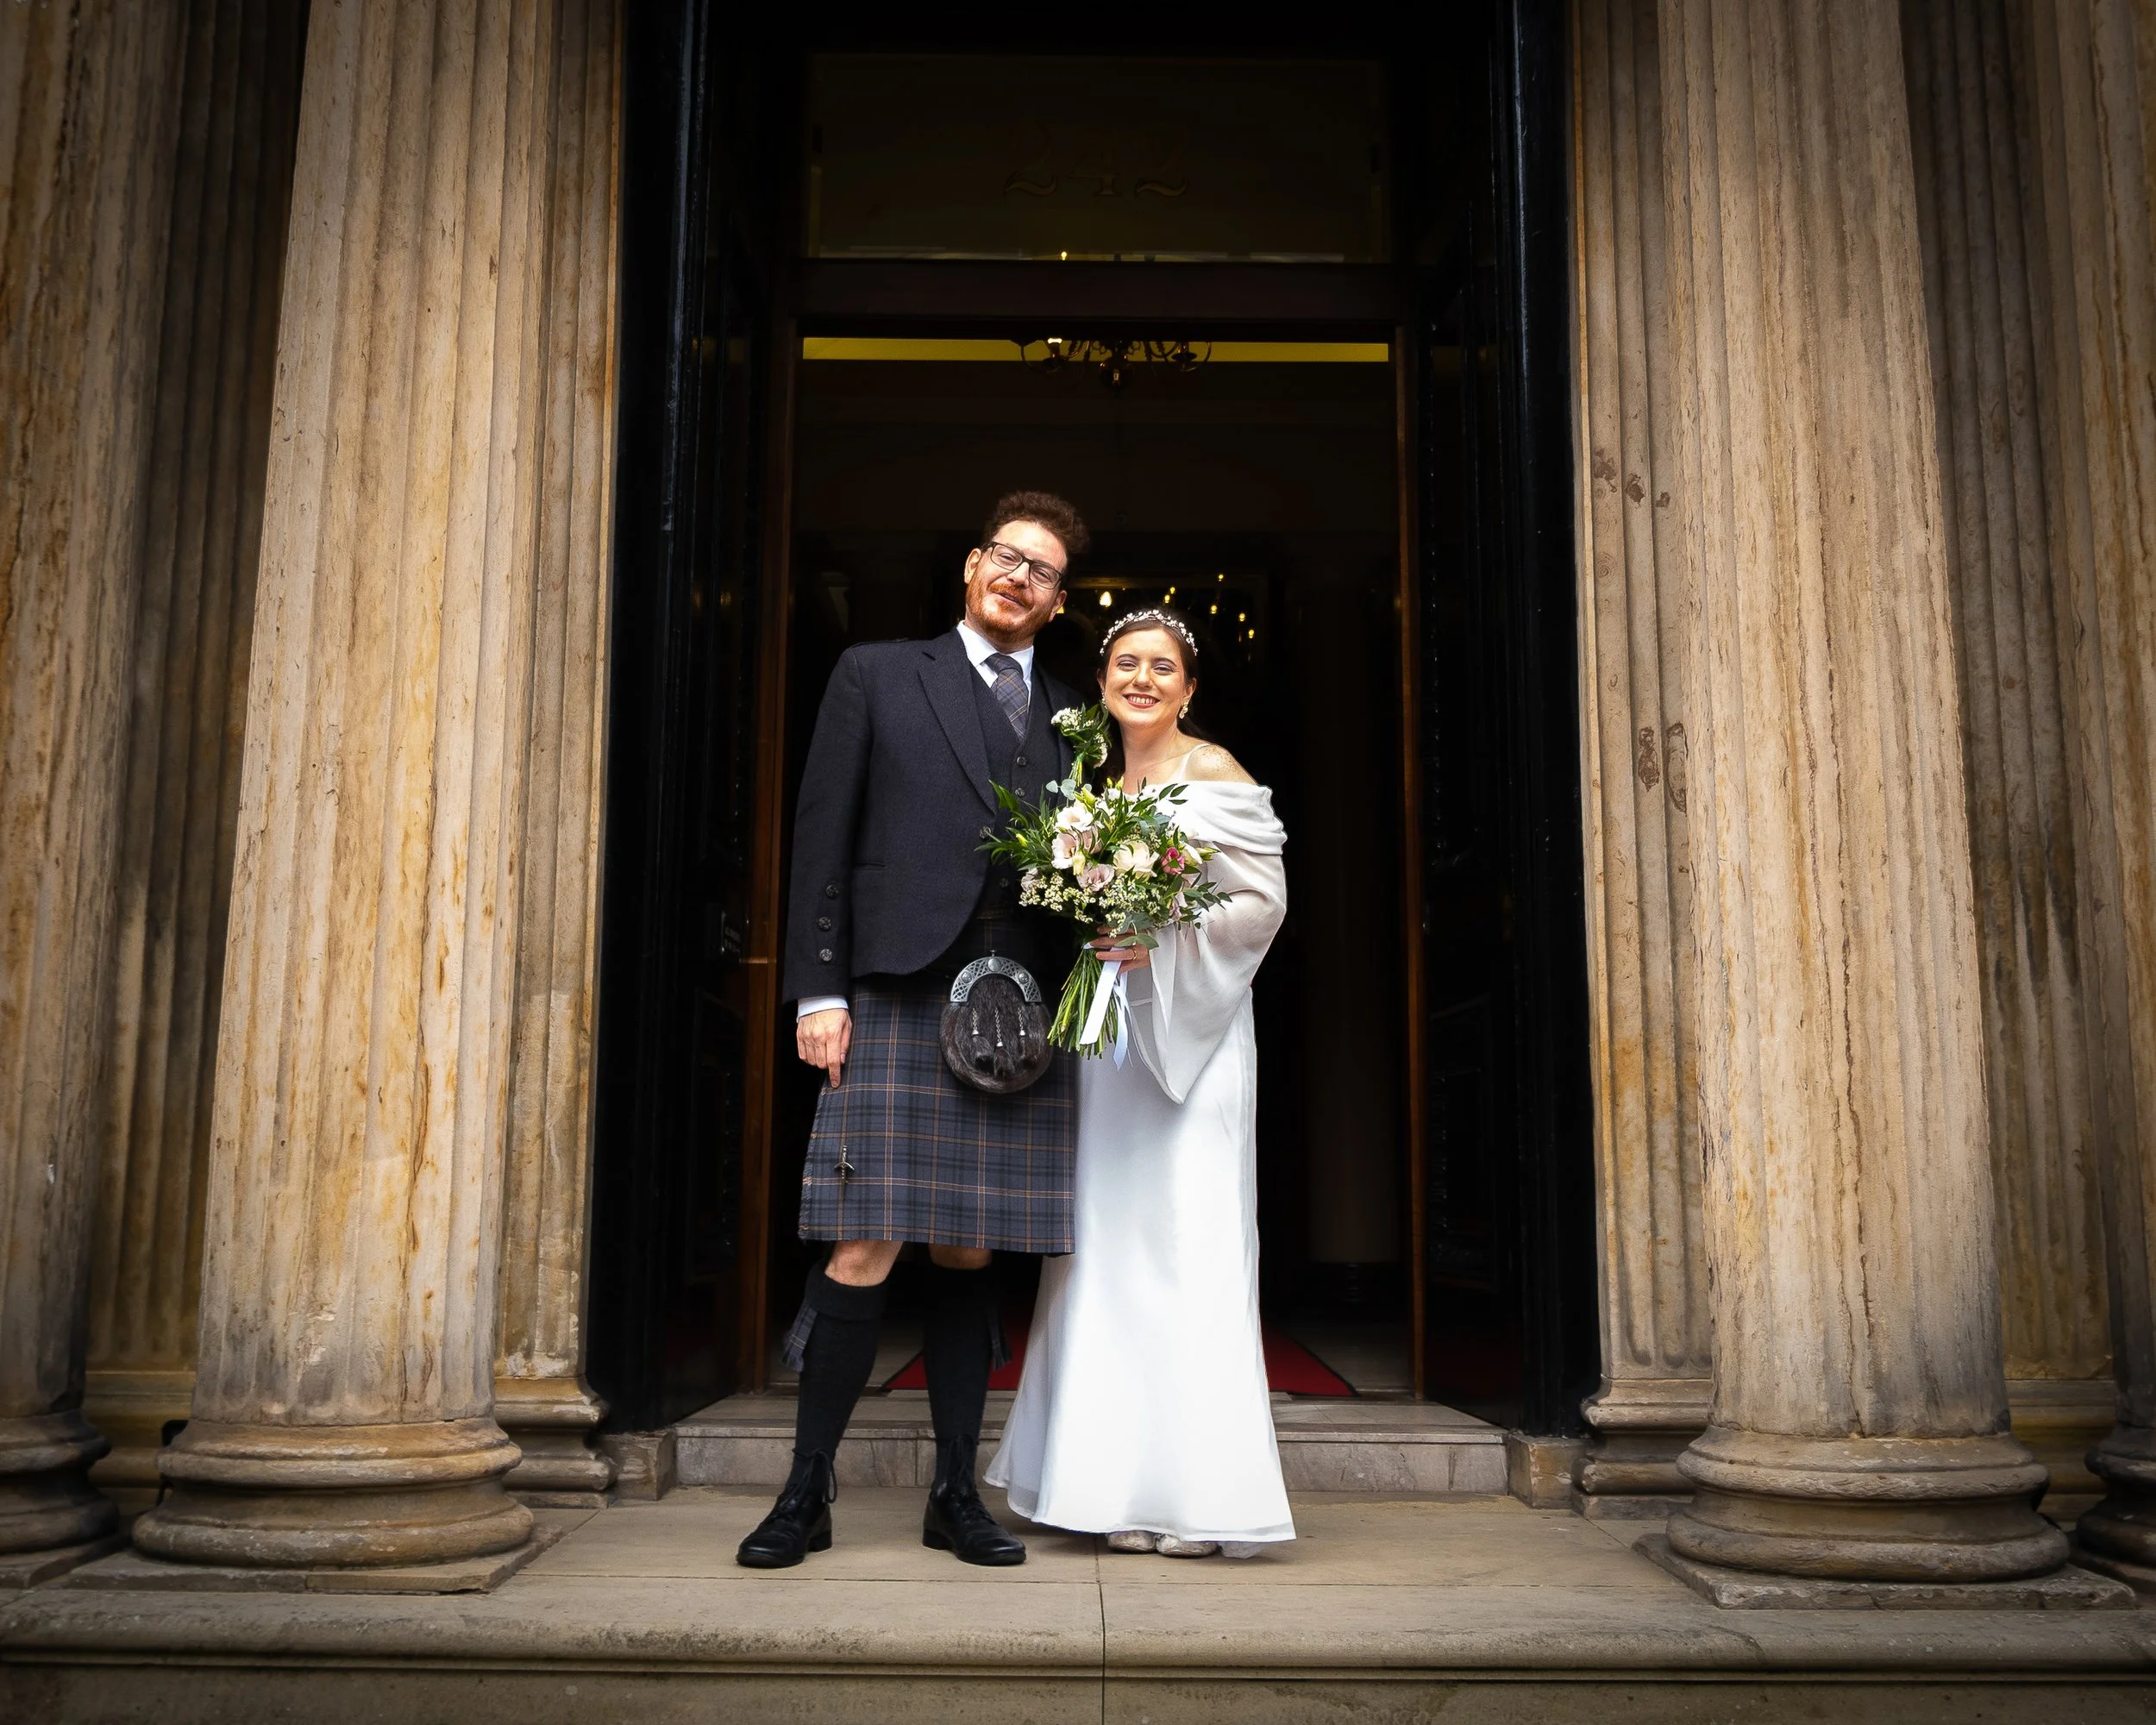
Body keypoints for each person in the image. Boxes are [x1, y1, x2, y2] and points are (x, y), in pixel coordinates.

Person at [737, 492, 1090, 1570]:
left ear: (1059, 601)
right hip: (892, 987)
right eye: (1003, 554)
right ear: (970, 566)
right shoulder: (878, 673)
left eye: (1041, 569)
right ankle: (806, 1492)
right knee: (862, 1240)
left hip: (1018, 1008)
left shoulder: (1076, 715)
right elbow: (822, 839)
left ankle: (952, 1492)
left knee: (969, 1245)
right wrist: (818, 991)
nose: (1016, 576)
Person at [986, 606, 1294, 1558]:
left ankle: (1194, 1496)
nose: (1143, 679)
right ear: (1105, 681)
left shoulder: (1213, 770)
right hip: (1110, 1046)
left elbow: (1262, 902)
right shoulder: (1090, 785)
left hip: (1192, 1044)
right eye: (1127, 663)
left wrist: (1155, 934)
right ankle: (1106, 1483)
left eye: (1163, 666)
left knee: (1187, 1240)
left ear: (1190, 687)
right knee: (1103, 1250)